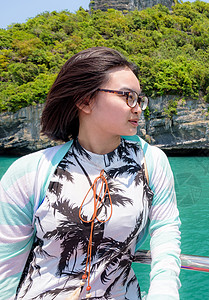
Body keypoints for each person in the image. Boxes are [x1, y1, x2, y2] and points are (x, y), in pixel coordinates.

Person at [0, 47, 181, 299]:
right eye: (127, 96)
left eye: (139, 99)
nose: (138, 108)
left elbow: (166, 229)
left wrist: (164, 290)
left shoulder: (150, 162)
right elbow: (5, 267)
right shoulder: (30, 171)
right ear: (85, 100)